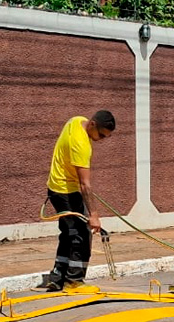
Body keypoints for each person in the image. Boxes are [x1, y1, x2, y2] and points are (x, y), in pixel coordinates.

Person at [45, 110, 116, 291]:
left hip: (56, 188)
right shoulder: (81, 145)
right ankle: (74, 281)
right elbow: (85, 184)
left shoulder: (76, 121)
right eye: (100, 135)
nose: (100, 139)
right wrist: (94, 215)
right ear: (92, 124)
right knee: (81, 235)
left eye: (105, 137)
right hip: (66, 191)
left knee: (68, 232)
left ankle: (57, 277)